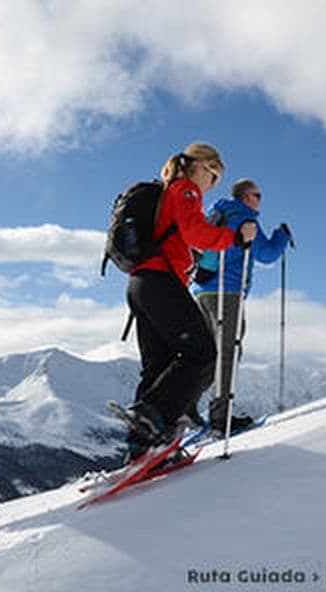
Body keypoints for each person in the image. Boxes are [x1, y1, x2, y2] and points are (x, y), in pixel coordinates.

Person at [123, 142, 257, 461]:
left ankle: (143, 448)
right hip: (161, 282)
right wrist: (235, 238)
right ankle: (152, 419)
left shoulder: (169, 192)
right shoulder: (185, 189)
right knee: (204, 353)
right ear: (202, 167)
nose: (211, 187)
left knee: (159, 366)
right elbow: (195, 231)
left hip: (140, 284)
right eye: (214, 177)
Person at [192, 179, 291, 435]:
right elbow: (266, 254)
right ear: (247, 197)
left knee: (206, 353)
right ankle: (220, 418)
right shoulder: (244, 218)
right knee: (228, 352)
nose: (259, 200)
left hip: (202, 291)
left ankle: (185, 407)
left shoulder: (216, 213)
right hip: (229, 291)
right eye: (258, 195)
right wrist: (282, 236)